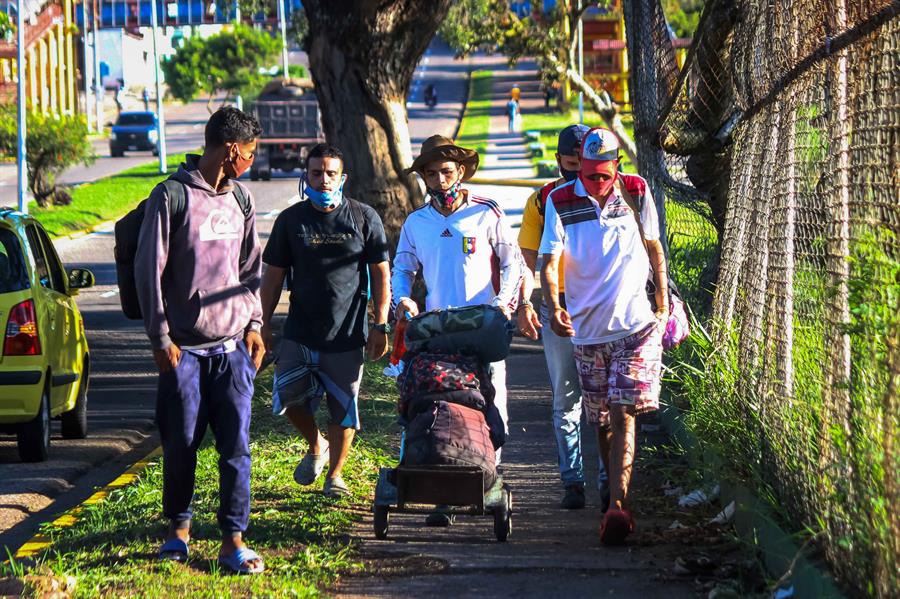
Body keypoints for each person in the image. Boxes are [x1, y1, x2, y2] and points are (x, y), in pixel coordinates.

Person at [134, 106, 266, 573]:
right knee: (181, 444)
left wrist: (253, 325)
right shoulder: (171, 196)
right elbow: (148, 269)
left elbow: (251, 271)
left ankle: (234, 540)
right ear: (231, 149)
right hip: (183, 352)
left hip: (232, 352)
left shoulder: (242, 200)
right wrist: (160, 336)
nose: (251, 161)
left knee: (236, 448)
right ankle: (178, 532)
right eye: (249, 153)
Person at [539, 127, 667, 545]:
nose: (594, 183)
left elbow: (653, 246)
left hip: (634, 324)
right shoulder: (559, 199)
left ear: (616, 167)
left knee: (622, 410)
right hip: (587, 331)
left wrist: (662, 300)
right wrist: (555, 304)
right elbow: (548, 259)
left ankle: (618, 506)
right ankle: (611, 491)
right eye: (588, 174)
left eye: (602, 175)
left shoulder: (635, 189)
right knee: (599, 419)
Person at [392, 134, 523, 526]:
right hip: (436, 328)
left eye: (446, 172)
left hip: (482, 326)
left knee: (491, 402)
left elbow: (512, 262)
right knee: (441, 400)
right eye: (430, 174)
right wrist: (404, 299)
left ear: (461, 172)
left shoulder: (487, 212)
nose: (439, 180)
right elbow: (402, 268)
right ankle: (442, 488)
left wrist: (503, 304)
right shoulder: (417, 222)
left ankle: (487, 476)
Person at [259, 144, 391, 499]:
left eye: (331, 172)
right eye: (316, 172)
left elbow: (380, 273)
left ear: (342, 177)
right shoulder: (290, 221)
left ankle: (335, 475)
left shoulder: (364, 218)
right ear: (307, 176)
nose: (324, 179)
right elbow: (273, 277)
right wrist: (263, 323)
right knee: (288, 398)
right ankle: (316, 443)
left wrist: (381, 324)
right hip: (300, 331)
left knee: (343, 408)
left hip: (347, 334)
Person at [517, 124, 609, 511]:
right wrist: (554, 294)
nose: (579, 172)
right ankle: (572, 480)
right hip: (561, 307)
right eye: (572, 164)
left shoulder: (611, 192)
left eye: (585, 164)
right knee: (565, 397)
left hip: (602, 308)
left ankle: (608, 480)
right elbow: (530, 255)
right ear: (559, 161)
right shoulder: (543, 200)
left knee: (606, 399)